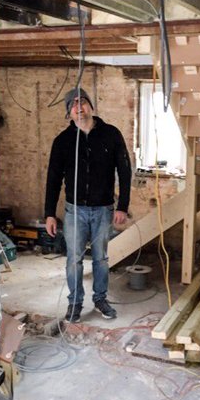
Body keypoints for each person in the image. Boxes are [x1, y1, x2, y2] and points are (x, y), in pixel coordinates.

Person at [43, 87, 131, 321]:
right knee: (74, 259)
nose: (78, 107)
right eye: (73, 105)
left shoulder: (111, 134)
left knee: (101, 258)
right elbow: (53, 178)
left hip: (103, 209)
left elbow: (124, 171)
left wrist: (122, 205)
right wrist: (49, 213)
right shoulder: (62, 141)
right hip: (75, 211)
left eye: (82, 102)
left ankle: (100, 299)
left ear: (91, 106)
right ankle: (75, 303)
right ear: (68, 112)